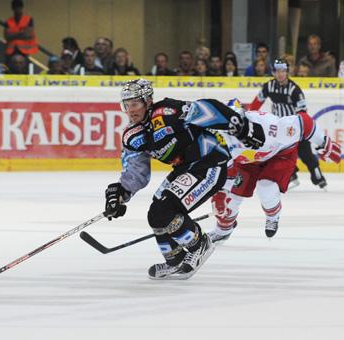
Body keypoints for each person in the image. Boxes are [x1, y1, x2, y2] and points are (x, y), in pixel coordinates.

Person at [103, 79, 266, 280]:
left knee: (164, 211)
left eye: (135, 104)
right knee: (155, 214)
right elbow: (136, 171)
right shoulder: (132, 135)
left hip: (210, 161)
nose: (131, 110)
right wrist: (121, 192)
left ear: (148, 101)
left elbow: (207, 108)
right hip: (186, 169)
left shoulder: (167, 112)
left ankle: (200, 244)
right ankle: (175, 260)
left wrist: (242, 127)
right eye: (126, 105)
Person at [208, 99, 341, 241]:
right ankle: (222, 230)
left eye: (239, 123)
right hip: (247, 162)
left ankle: (273, 215)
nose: (237, 129)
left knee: (266, 188)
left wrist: (324, 143)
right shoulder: (221, 140)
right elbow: (228, 172)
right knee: (231, 199)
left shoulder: (271, 127)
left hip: (279, 154)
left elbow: (305, 123)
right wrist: (221, 194)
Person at [249, 58, 328, 189]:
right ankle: (292, 176)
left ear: (287, 72)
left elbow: (303, 112)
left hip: (295, 126)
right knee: (275, 153)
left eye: (283, 71)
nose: (280, 74)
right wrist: (250, 117)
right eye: (277, 71)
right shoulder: (269, 86)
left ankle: (318, 178)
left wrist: (300, 129)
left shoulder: (294, 89)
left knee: (305, 153)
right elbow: (256, 103)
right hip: (278, 128)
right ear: (273, 72)